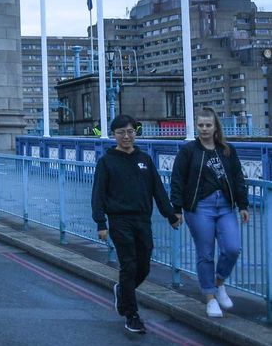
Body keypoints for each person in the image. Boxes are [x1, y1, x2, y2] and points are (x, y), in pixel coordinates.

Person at [92, 114, 181, 334]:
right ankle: (131, 314)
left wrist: (170, 215)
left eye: (130, 131)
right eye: (121, 132)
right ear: (114, 135)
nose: (126, 136)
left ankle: (122, 291)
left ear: (135, 133)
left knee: (144, 265)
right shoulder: (106, 161)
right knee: (129, 265)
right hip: (119, 220)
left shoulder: (145, 159)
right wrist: (101, 223)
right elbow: (98, 194)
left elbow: (158, 190)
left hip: (143, 219)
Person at [169, 107, 249, 318]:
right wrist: (176, 209)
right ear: (197, 127)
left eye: (208, 125)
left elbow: (238, 178)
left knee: (232, 248)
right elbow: (177, 180)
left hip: (225, 206)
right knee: (205, 253)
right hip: (199, 208)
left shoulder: (227, 150)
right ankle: (210, 298)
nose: (204, 129)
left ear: (215, 127)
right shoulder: (188, 151)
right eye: (201, 125)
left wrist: (243, 205)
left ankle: (218, 282)